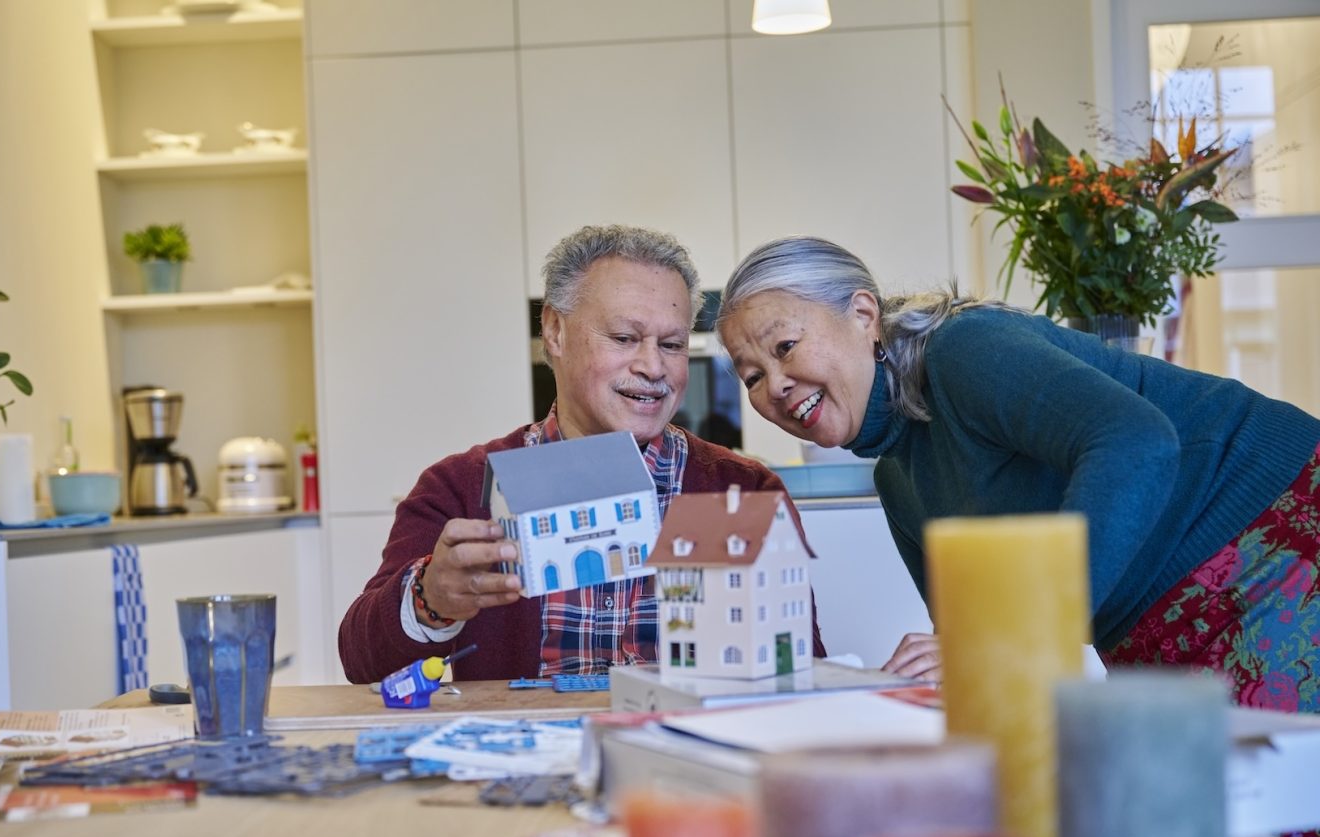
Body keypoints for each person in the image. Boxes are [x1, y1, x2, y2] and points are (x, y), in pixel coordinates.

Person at [717, 235, 1320, 715]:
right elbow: (976, 644)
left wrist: (1009, 637)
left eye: (786, 346)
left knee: (1267, 831)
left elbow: (1136, 443)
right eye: (750, 376)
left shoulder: (963, 349)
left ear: (864, 314)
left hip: (1269, 541)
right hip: (1155, 624)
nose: (774, 385)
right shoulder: (897, 480)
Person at [339, 225, 825, 683]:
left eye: (672, 344)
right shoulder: (461, 488)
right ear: (554, 330)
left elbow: (799, 670)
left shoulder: (741, 490)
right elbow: (362, 662)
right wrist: (431, 598)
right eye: (624, 338)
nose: (653, 367)